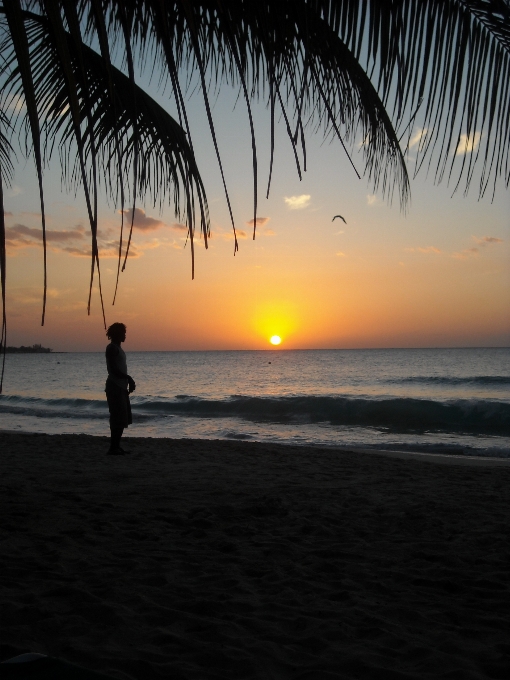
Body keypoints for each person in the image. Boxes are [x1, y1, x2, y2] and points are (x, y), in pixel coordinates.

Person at [105, 322, 136, 455]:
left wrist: (126, 380)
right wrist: (128, 378)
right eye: (123, 333)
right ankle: (113, 447)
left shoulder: (118, 349)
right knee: (117, 417)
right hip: (115, 386)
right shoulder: (112, 348)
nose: (125, 335)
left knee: (122, 417)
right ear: (117, 334)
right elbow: (113, 369)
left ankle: (116, 446)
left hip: (121, 387)